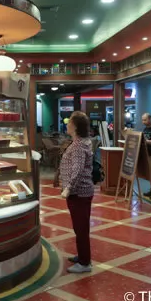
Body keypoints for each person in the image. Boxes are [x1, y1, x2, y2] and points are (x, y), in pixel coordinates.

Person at [59, 111, 94, 273]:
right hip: (80, 192)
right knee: (80, 227)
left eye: (69, 122)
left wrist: (68, 188)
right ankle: (82, 256)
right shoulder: (81, 142)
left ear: (75, 126)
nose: (67, 124)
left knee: (81, 228)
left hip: (78, 193)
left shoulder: (79, 145)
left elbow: (78, 170)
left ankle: (85, 263)